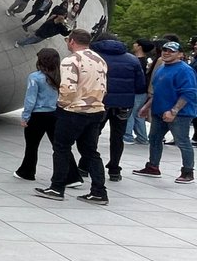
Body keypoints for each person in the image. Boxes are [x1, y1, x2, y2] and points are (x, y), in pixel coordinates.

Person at [35, 30, 109, 204]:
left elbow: (68, 88)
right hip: (95, 110)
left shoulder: (71, 60)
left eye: (68, 40)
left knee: (61, 148)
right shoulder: (100, 60)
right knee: (90, 152)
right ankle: (99, 191)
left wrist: (61, 105)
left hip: (74, 111)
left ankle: (57, 187)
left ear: (72, 41)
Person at [133, 39, 197, 183]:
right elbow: (158, 91)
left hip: (180, 114)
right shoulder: (162, 67)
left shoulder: (185, 70)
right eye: (165, 50)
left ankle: (188, 172)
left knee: (182, 141)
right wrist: (147, 106)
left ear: (180, 54)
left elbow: (189, 93)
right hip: (159, 111)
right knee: (154, 138)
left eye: (171, 51)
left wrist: (174, 111)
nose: (167, 53)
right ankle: (153, 166)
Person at [92, 32, 146, 183]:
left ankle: (85, 165)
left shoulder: (94, 58)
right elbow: (140, 85)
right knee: (117, 138)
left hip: (100, 102)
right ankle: (114, 169)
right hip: (123, 104)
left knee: (93, 134)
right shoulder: (132, 59)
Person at [15, 48, 61, 181]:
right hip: (54, 114)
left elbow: (30, 99)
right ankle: (71, 175)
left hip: (38, 115)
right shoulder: (59, 77)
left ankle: (27, 172)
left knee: (32, 145)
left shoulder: (35, 77)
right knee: (59, 146)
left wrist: (25, 117)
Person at [125, 39, 152, 144]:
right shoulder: (144, 61)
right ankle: (142, 137)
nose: (133, 44)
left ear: (139, 46)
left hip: (136, 91)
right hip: (143, 92)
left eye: (135, 43)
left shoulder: (137, 61)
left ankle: (127, 136)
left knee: (130, 113)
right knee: (138, 114)